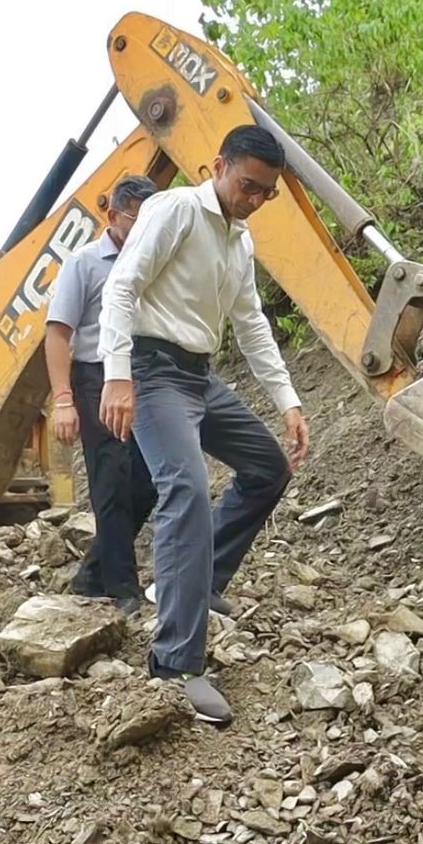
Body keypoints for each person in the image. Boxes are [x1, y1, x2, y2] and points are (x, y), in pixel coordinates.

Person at [98, 125, 312, 725]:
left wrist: (287, 400)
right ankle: (176, 662)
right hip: (151, 369)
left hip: (199, 376)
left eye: (266, 193)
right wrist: (118, 375)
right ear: (219, 166)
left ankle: (200, 579)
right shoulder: (174, 211)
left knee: (267, 468)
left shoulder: (238, 241)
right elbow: (121, 287)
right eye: (248, 186)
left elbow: (251, 325)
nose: (254, 200)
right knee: (186, 490)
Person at [45, 175, 159, 616]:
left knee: (148, 484)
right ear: (113, 216)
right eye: (137, 218)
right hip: (95, 377)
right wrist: (63, 400)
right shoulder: (85, 263)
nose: (147, 227)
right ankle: (122, 589)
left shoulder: (157, 257)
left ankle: (92, 574)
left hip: (144, 375)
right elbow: (57, 334)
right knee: (110, 480)